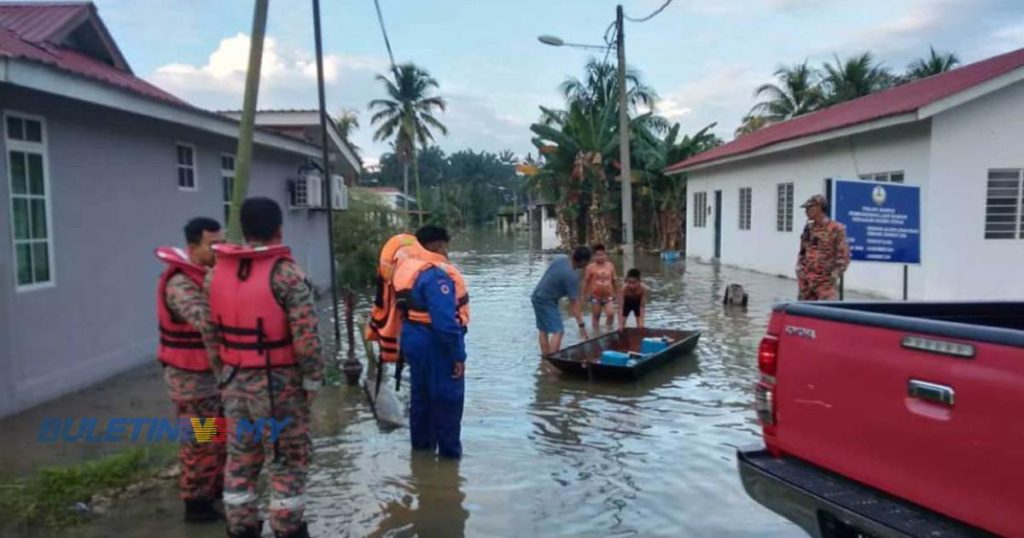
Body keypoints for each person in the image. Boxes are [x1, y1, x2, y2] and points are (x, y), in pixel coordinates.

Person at [208, 197, 323, 538]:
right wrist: (312, 383)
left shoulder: (215, 274)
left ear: (243, 229)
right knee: (287, 459)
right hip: (278, 386)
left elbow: (210, 334)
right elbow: (307, 338)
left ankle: (241, 528)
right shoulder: (287, 276)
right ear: (278, 229)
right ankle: (288, 528)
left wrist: (223, 376)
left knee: (240, 456)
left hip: (232, 381)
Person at [154, 217, 225, 523]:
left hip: (210, 380)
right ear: (193, 246)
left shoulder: (205, 275)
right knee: (199, 443)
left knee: (216, 439)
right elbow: (203, 321)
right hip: (191, 382)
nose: (218, 250)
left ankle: (212, 493)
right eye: (212, 245)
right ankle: (196, 505)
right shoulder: (180, 284)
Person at [392, 225, 470, 459]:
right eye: (446, 246)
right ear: (438, 246)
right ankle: (449, 464)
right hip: (436, 344)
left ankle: (421, 457)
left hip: (413, 339)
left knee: (421, 399)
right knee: (448, 402)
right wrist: (458, 356)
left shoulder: (407, 268)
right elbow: (445, 324)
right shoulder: (437, 276)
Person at [531, 246, 592, 356]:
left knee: (543, 329)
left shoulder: (560, 258)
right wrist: (581, 326)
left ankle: (545, 359)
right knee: (558, 331)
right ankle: (553, 359)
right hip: (546, 301)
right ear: (583, 262)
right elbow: (574, 305)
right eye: (587, 262)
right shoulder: (572, 277)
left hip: (536, 296)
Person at [796, 194, 851, 301]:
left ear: (819, 207)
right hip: (806, 284)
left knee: (827, 313)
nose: (806, 211)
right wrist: (800, 271)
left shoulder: (836, 229)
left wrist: (833, 276)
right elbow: (803, 252)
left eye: (809, 208)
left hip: (825, 285)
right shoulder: (809, 228)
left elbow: (844, 256)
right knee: (804, 314)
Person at [582, 244, 618, 332]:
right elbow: (585, 281)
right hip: (595, 296)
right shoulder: (590, 267)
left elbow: (614, 280)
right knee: (596, 315)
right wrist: (583, 294)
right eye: (597, 255)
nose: (600, 257)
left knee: (610, 314)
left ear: (606, 255)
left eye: (602, 254)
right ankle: (596, 333)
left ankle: (609, 331)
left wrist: (617, 293)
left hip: (608, 296)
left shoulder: (610, 265)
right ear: (593, 256)